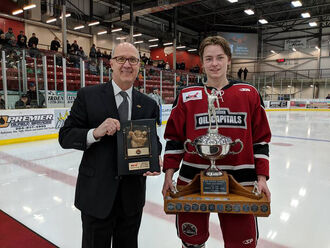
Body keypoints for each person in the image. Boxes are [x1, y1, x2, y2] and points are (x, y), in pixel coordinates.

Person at [162, 36, 271, 248]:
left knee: (241, 244)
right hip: (192, 183)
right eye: (209, 58)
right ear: (202, 62)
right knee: (192, 241)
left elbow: (260, 140)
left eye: (220, 58)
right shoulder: (186, 95)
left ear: (228, 60)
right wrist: (168, 176)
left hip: (242, 184)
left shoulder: (249, 94)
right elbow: (175, 139)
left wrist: (262, 178)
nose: (215, 63)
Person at [58, 42, 162, 248]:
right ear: (111, 64)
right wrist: (95, 133)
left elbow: (154, 140)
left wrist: (154, 156)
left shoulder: (148, 104)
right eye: (121, 59)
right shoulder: (88, 96)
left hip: (131, 198)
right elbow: (66, 136)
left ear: (139, 66)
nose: (127, 65)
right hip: (96, 195)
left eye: (133, 60)